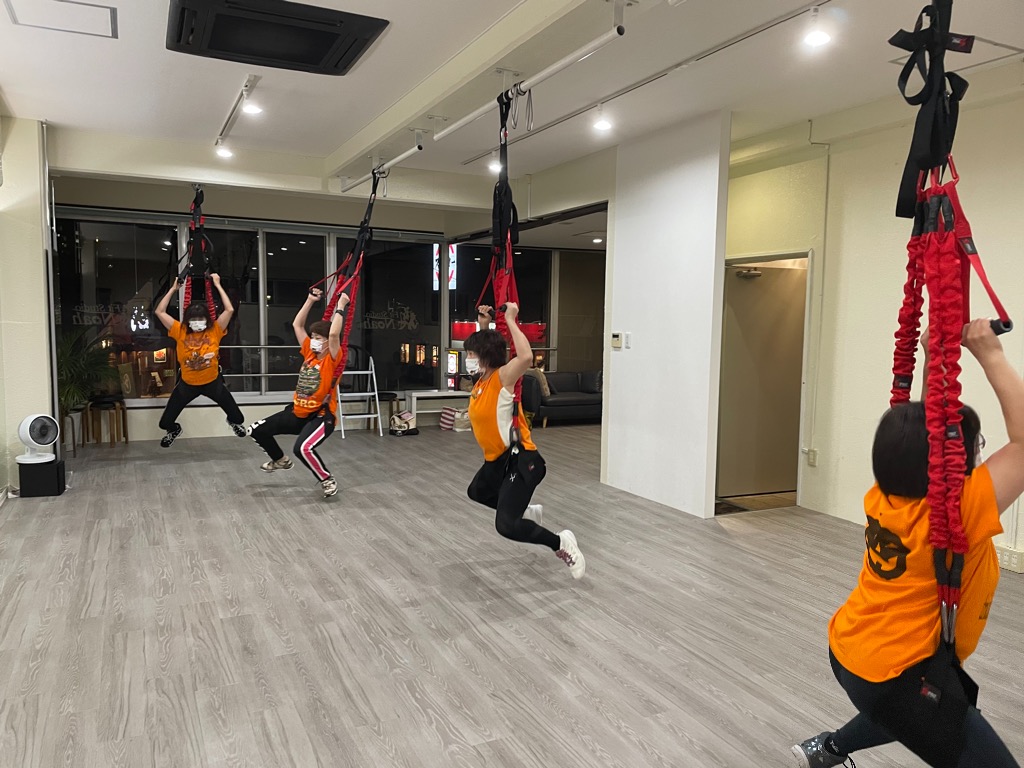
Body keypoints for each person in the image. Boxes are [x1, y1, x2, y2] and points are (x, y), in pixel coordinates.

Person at [792, 319, 1024, 768]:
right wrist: (991, 355)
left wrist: (936, 356)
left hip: (853, 646)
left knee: (902, 713)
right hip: (896, 674)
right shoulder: (957, 511)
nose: (978, 452)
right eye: (974, 445)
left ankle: (828, 749)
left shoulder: (886, 494)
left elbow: (922, 430)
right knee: (921, 711)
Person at [464, 302, 586, 579]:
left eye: (471, 354)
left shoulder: (501, 378)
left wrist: (510, 319)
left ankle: (561, 542)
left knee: (506, 525)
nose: (468, 359)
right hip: (497, 461)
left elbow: (526, 357)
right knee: (477, 491)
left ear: (484, 357)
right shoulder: (481, 382)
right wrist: (484, 324)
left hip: (522, 460)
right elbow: (487, 347)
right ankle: (527, 511)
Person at [248, 288, 349, 498]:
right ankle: (279, 460)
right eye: (313, 336)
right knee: (256, 430)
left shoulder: (332, 358)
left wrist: (340, 306)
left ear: (327, 342)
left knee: (302, 448)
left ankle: (327, 479)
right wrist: (310, 300)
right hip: (297, 413)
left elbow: (333, 334)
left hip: (321, 417)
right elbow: (297, 325)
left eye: (318, 337)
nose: (313, 340)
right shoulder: (309, 353)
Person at [154, 274, 245, 447]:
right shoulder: (179, 330)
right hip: (187, 385)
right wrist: (173, 289)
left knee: (238, 418)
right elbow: (159, 312)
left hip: (213, 383)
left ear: (207, 319)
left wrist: (217, 284)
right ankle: (174, 430)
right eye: (193, 320)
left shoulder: (215, 330)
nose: (197, 322)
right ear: (188, 320)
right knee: (164, 423)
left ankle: (232, 422)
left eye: (200, 319)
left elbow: (229, 310)